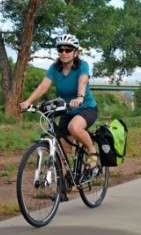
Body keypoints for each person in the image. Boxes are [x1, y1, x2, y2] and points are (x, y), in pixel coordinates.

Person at [19, 34, 100, 178]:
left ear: (75, 52)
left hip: (86, 107)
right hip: (67, 111)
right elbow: (44, 85)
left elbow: (82, 82)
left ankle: (92, 151)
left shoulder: (82, 65)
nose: (64, 52)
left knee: (74, 128)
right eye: (60, 49)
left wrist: (80, 97)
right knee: (63, 149)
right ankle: (62, 188)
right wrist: (29, 101)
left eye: (68, 50)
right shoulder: (54, 68)